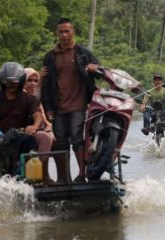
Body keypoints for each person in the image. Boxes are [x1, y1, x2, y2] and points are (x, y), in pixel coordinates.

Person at [41, 18, 99, 183]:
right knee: (60, 142)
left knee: (76, 137)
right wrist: (48, 107)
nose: (64, 35)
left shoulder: (82, 53)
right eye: (61, 31)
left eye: (67, 31)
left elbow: (99, 70)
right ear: (56, 33)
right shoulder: (50, 56)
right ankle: (64, 178)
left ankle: (82, 174)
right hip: (58, 106)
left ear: (73, 32)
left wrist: (95, 69)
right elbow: (46, 83)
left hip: (79, 104)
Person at [24, 68, 55, 184]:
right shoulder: (20, 95)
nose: (33, 83)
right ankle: (43, 175)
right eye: (29, 80)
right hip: (24, 131)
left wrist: (48, 125)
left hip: (36, 129)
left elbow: (41, 114)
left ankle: (63, 177)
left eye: (35, 81)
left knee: (58, 139)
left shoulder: (35, 97)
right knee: (46, 138)